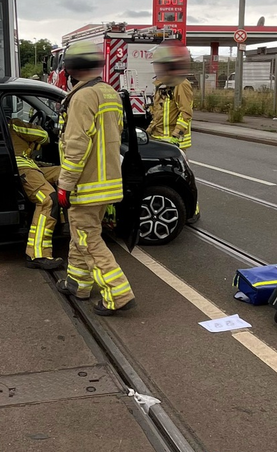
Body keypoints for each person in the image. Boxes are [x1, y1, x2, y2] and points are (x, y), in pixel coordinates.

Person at [55, 41, 136, 316]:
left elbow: (76, 145)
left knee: (87, 239)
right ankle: (78, 283)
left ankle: (118, 293)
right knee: (82, 235)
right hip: (107, 182)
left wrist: (65, 184)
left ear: (70, 69)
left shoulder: (81, 97)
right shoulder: (109, 92)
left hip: (86, 184)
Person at [146, 39, 200, 223]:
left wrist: (176, 135)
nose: (155, 68)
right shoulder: (161, 84)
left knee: (182, 176)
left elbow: (186, 112)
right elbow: (159, 111)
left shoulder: (181, 84)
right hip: (159, 135)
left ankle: (192, 210)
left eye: (158, 65)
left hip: (173, 139)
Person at [7, 109, 63, 270]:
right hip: (24, 168)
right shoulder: (14, 124)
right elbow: (43, 137)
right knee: (47, 199)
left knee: (66, 173)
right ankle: (38, 254)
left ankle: (65, 222)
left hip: (32, 166)